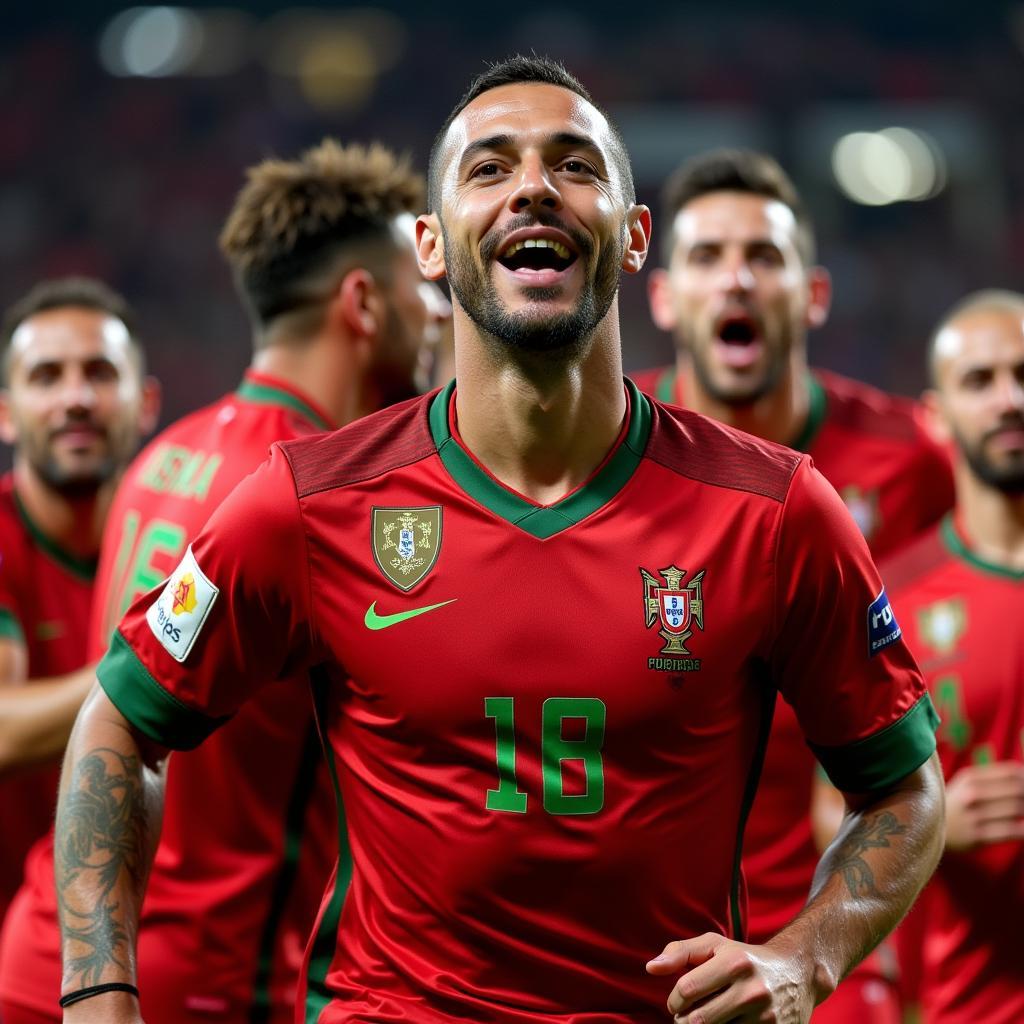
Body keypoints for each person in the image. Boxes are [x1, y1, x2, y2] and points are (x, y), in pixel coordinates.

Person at [55, 56, 943, 1024]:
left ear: (634, 236)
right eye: (488, 168)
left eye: (573, 165)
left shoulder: (772, 510)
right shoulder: (306, 502)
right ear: (430, 249)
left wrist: (806, 957)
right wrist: (98, 992)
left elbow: (903, 785)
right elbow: (121, 718)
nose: (531, 185)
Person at [0, 140, 448, 1024]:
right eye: (418, 286)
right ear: (362, 304)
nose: (437, 310)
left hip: (52, 954)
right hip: (193, 985)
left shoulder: (162, 457)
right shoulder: (327, 501)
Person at [644, 149, 954, 1020]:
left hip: (851, 931)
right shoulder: (606, 456)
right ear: (664, 296)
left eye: (764, 256)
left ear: (813, 294)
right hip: (657, 947)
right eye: (707, 257)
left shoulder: (916, 460)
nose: (736, 279)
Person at [870, 291, 1024, 1023]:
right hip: (964, 1004)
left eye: (1023, 374)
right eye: (980, 380)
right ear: (934, 417)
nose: (1009, 399)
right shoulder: (892, 600)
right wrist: (935, 826)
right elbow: (828, 812)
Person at [0, 277, 157, 927]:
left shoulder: (180, 534)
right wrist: (151, 665)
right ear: (6, 414)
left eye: (99, 372)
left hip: (138, 931)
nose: (76, 398)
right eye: (46, 377)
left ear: (145, 402)